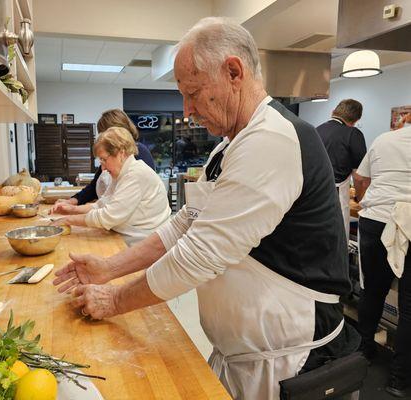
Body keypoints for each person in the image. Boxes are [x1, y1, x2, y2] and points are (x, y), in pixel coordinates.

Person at [52, 17, 357, 400]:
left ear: (234, 71)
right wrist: (108, 269)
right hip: (244, 356)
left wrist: (114, 299)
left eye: (193, 92)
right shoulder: (229, 145)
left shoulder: (272, 140)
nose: (188, 109)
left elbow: (198, 256)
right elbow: (184, 226)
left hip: (289, 359)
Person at [354, 112, 411, 397]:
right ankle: (398, 379)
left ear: (405, 119)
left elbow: (361, 177)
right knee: (409, 308)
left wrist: (364, 199)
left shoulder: (384, 140)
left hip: (377, 219)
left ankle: (363, 353)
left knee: (372, 291)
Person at [51, 127, 170, 245]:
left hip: (144, 243)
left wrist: (67, 220)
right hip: (131, 237)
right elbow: (102, 204)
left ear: (121, 153)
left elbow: (108, 216)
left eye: (104, 160)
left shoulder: (136, 174)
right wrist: (73, 210)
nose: (102, 168)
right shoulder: (122, 172)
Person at [54, 109, 155, 212]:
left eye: (106, 133)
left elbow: (123, 204)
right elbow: (94, 187)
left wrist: (74, 211)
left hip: (137, 220)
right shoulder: (110, 157)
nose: (103, 138)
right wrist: (72, 201)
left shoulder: (138, 152)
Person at [316, 99, 367, 241]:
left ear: (334, 112)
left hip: (313, 193)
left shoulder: (316, 129)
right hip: (335, 195)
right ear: (356, 119)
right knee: (337, 241)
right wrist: (361, 200)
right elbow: (360, 178)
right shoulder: (353, 134)